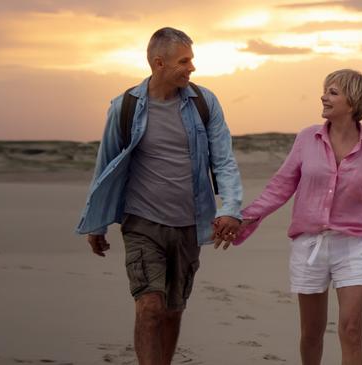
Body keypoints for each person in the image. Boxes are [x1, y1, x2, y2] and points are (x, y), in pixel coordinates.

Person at [75, 27, 242, 365]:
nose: (192, 67)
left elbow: (223, 159)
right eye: (184, 61)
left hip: (189, 224)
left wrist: (231, 209)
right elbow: (105, 166)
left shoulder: (203, 103)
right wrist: (96, 223)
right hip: (142, 223)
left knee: (172, 311)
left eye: (191, 60)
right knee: (149, 307)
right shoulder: (124, 107)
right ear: (159, 63)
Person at [217, 69, 362, 365]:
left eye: (333, 92)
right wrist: (242, 218)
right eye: (325, 90)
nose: (324, 96)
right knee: (311, 334)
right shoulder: (307, 138)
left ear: (354, 100)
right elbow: (280, 186)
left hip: (354, 246)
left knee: (352, 329)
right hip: (309, 247)